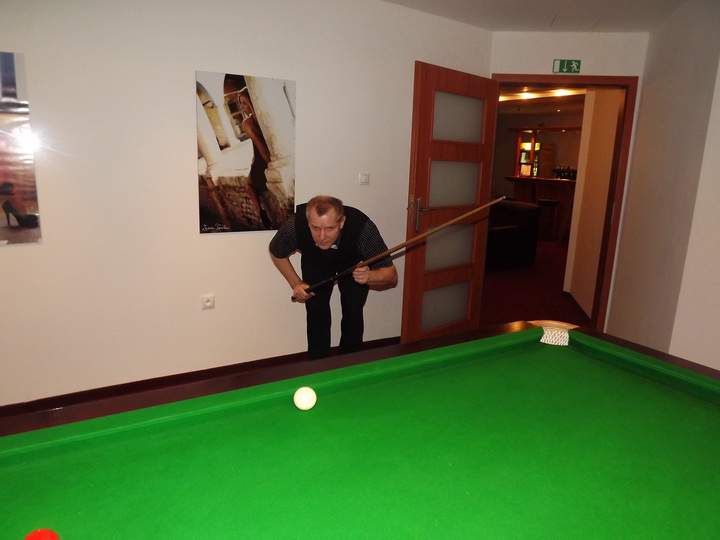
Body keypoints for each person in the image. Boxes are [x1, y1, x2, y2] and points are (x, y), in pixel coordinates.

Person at [269, 195, 398, 359]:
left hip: (353, 263)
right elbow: (276, 251)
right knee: (316, 310)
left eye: (330, 228)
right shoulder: (294, 226)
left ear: (342, 222)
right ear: (308, 222)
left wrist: (370, 276)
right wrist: (296, 283)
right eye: (315, 228)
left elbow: (391, 275)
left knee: (353, 309)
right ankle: (318, 365)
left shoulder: (362, 228)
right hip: (315, 260)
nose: (322, 236)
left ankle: (350, 362)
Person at [238, 87, 273, 229]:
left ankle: (260, 211)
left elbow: (261, 147)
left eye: (244, 103)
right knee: (250, 177)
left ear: (252, 102)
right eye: (240, 103)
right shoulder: (266, 117)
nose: (242, 107)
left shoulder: (247, 122)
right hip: (270, 157)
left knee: (249, 184)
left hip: (264, 161)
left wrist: (270, 166)